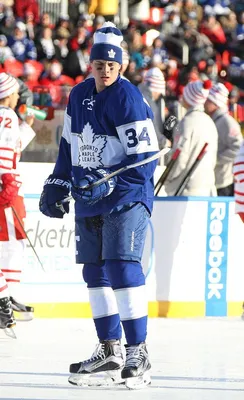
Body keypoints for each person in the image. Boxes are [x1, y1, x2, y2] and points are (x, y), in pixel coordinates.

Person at [39, 22, 159, 389]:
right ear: (90, 65)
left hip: (126, 198)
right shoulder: (77, 95)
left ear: (120, 65)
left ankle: (138, 351)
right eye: (98, 64)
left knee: (122, 269)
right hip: (90, 198)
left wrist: (106, 184)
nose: (105, 69)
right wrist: (57, 183)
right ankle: (109, 350)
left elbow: (146, 160)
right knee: (94, 273)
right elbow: (68, 146)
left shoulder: (127, 98)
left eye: (111, 64)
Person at [0, 73, 36, 334]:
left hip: (8, 185)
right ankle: (4, 299)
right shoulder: (8, 116)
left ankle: (6, 297)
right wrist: (8, 183)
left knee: (13, 244)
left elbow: (13, 146)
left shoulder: (10, 119)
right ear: (9, 94)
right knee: (13, 245)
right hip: (8, 188)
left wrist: (28, 126)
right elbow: (6, 151)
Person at [164, 80, 218, 196]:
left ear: (189, 98)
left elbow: (179, 158)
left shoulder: (186, 123)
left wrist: (167, 178)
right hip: (206, 187)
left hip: (186, 189)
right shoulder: (210, 122)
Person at [204, 83, 243, 196]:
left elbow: (237, 148)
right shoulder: (212, 119)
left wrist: (215, 159)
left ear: (215, 103)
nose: (205, 103)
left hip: (222, 181)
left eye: (208, 100)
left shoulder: (227, 122)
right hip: (213, 179)